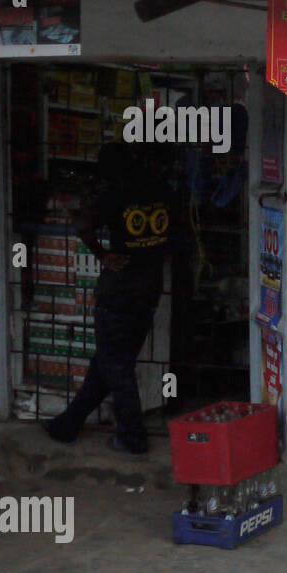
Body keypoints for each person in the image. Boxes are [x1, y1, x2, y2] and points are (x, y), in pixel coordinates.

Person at [44, 143, 176, 454]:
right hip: (149, 287)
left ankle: (132, 436)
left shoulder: (115, 191)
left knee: (115, 363)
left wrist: (102, 255)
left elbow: (82, 224)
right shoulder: (161, 189)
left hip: (119, 290)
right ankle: (68, 423)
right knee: (111, 360)